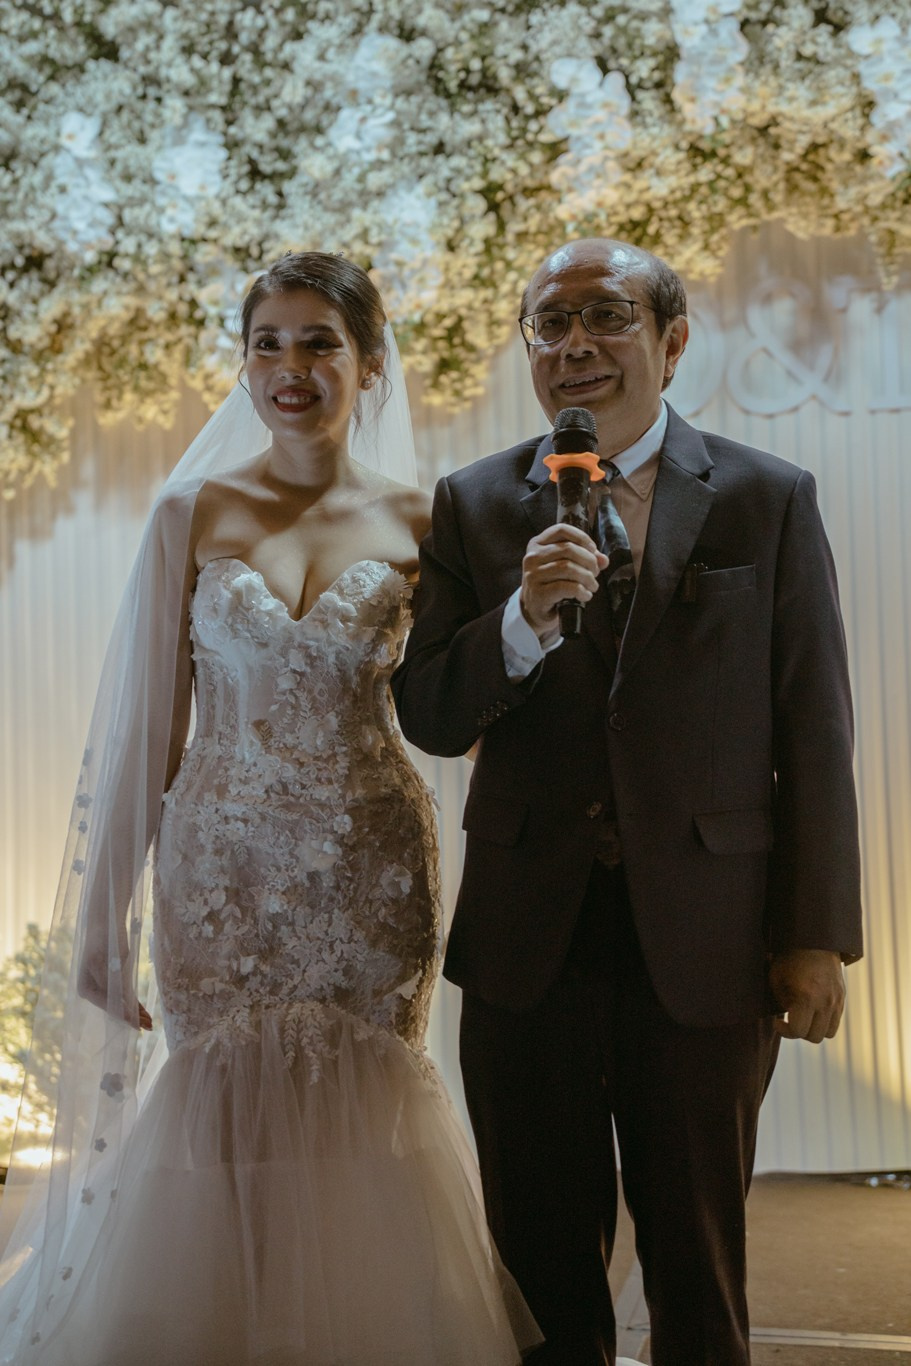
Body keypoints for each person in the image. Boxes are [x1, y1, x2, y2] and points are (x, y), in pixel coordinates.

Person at [0, 253, 539, 1364]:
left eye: (319, 343)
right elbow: (151, 727)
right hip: (221, 868)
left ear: (369, 362)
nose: (290, 367)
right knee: (221, 1116)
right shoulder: (190, 512)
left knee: (364, 1117)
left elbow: (456, 701)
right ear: (244, 364)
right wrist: (103, 917)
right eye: (267, 344)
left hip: (369, 867)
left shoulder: (424, 520)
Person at [391, 237, 863, 1366]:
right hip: (528, 940)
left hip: (707, 938)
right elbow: (430, 714)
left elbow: (813, 727)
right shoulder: (471, 502)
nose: (574, 346)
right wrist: (517, 622)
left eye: (605, 316)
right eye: (549, 324)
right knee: (538, 1265)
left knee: (697, 1259)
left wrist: (813, 936)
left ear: (671, 339)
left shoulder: (765, 497)